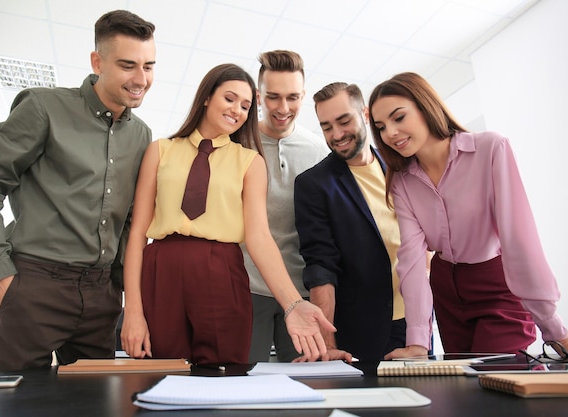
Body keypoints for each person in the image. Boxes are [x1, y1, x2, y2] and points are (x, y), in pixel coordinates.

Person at [0, 10, 157, 372]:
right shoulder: (43, 108)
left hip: (102, 296)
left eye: (149, 66)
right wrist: (0, 274)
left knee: (95, 404)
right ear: (98, 61)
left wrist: (123, 290)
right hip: (36, 285)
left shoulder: (142, 135)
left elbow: (130, 222)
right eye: (128, 65)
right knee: (17, 404)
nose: (141, 78)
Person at [120, 63, 335, 365]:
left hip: (221, 272)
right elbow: (137, 234)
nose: (237, 110)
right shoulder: (160, 150)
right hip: (162, 269)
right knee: (162, 370)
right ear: (207, 96)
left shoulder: (250, 163)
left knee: (223, 373)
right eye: (230, 99)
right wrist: (132, 311)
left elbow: (260, 238)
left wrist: (293, 303)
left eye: (246, 106)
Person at [368, 71, 568, 358]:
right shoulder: (401, 181)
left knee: (501, 375)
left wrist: (554, 328)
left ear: (427, 107)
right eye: (381, 127)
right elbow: (411, 261)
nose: (390, 133)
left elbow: (519, 240)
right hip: (446, 289)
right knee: (469, 385)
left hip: (496, 282)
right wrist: (417, 343)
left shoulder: (490, 148)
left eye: (398, 118)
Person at [294, 82, 407, 363]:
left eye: (344, 121)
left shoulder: (401, 167)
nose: (337, 134)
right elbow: (321, 267)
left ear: (365, 115)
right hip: (360, 331)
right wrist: (327, 343)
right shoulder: (314, 185)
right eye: (327, 126)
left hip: (414, 324)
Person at [241, 50, 330, 363]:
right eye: (273, 97)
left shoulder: (319, 151)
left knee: (305, 387)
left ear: (303, 95)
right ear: (257, 95)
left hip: (304, 292)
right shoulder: (238, 143)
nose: (283, 108)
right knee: (244, 387)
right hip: (247, 290)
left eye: (293, 97)